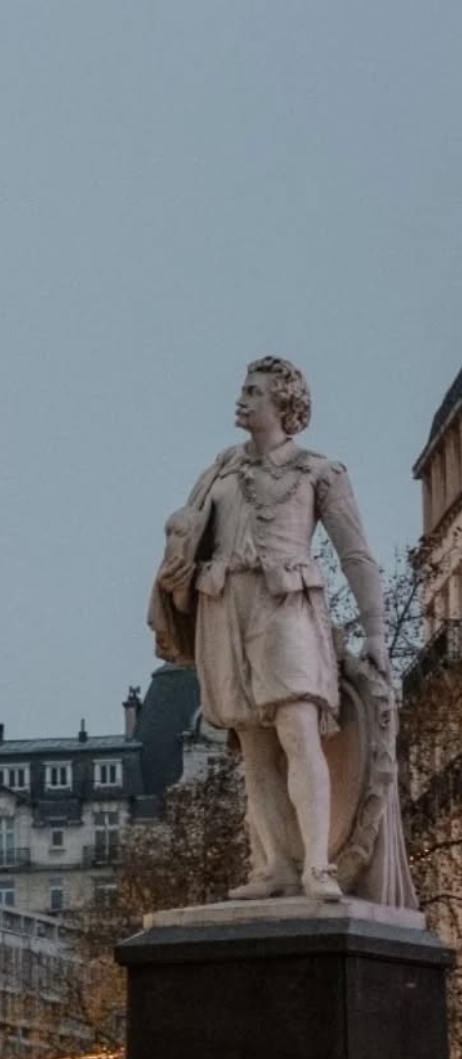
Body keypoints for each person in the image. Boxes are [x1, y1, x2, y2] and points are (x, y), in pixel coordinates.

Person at [149, 357, 411, 906]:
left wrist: (376, 632)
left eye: (253, 392)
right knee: (255, 744)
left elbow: (356, 555)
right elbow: (185, 545)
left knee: (298, 728)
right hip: (224, 606)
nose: (240, 399)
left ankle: (319, 863)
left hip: (288, 605)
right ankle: (278, 865)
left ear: (283, 404)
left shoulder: (319, 471)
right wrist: (177, 578)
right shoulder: (218, 472)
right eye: (243, 390)